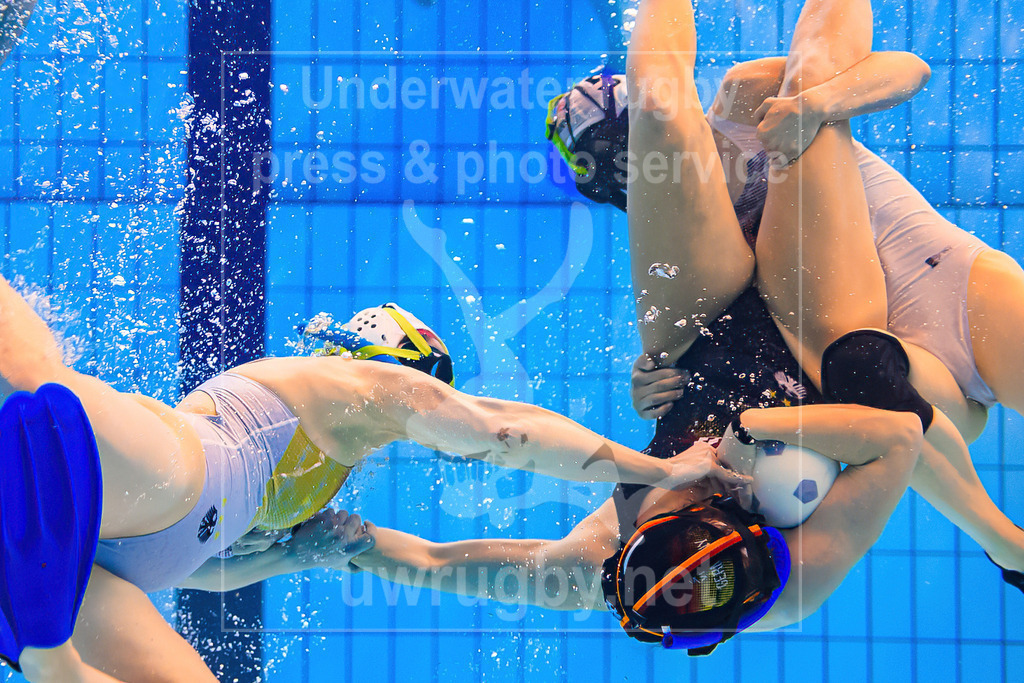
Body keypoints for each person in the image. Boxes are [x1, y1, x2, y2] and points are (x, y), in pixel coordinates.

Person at [344, 0, 986, 654]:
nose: (698, 488)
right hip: (814, 330)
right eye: (708, 505)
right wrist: (754, 428)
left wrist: (350, 546)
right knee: (811, 97)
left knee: (657, 99)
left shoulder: (602, 560)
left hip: (696, 328)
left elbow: (440, 563)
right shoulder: (794, 582)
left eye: (675, 505)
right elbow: (897, 437)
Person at [0, 285, 740, 681]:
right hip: (178, 476)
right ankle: (45, 656)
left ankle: (46, 659)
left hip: (121, 566)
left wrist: (290, 557)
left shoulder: (334, 462)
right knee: (41, 390)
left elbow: (208, 567)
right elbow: (505, 430)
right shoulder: (356, 389)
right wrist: (662, 469)